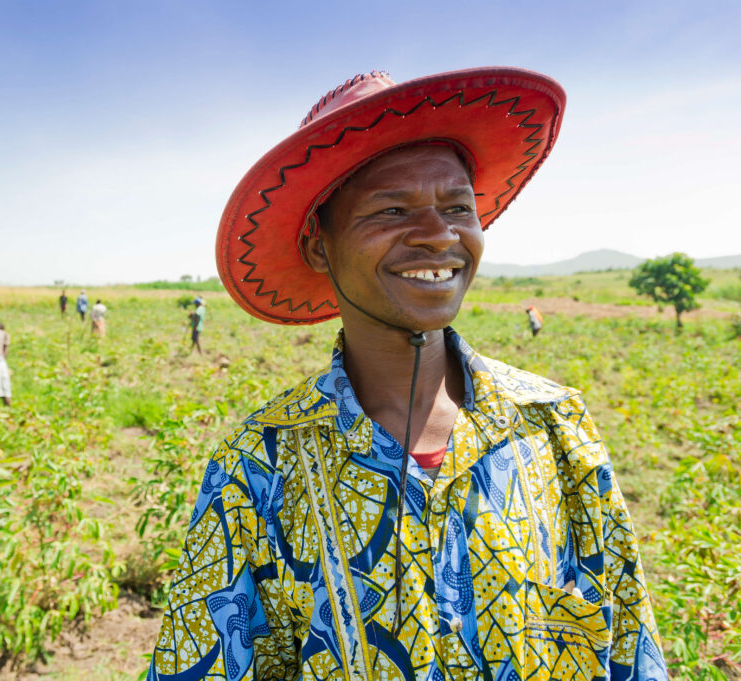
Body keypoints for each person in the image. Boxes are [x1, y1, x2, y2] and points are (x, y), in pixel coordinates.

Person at [148, 69, 667, 680]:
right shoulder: (258, 465)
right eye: (391, 209)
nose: (437, 235)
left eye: (457, 207)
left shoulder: (553, 426)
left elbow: (628, 647)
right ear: (320, 247)